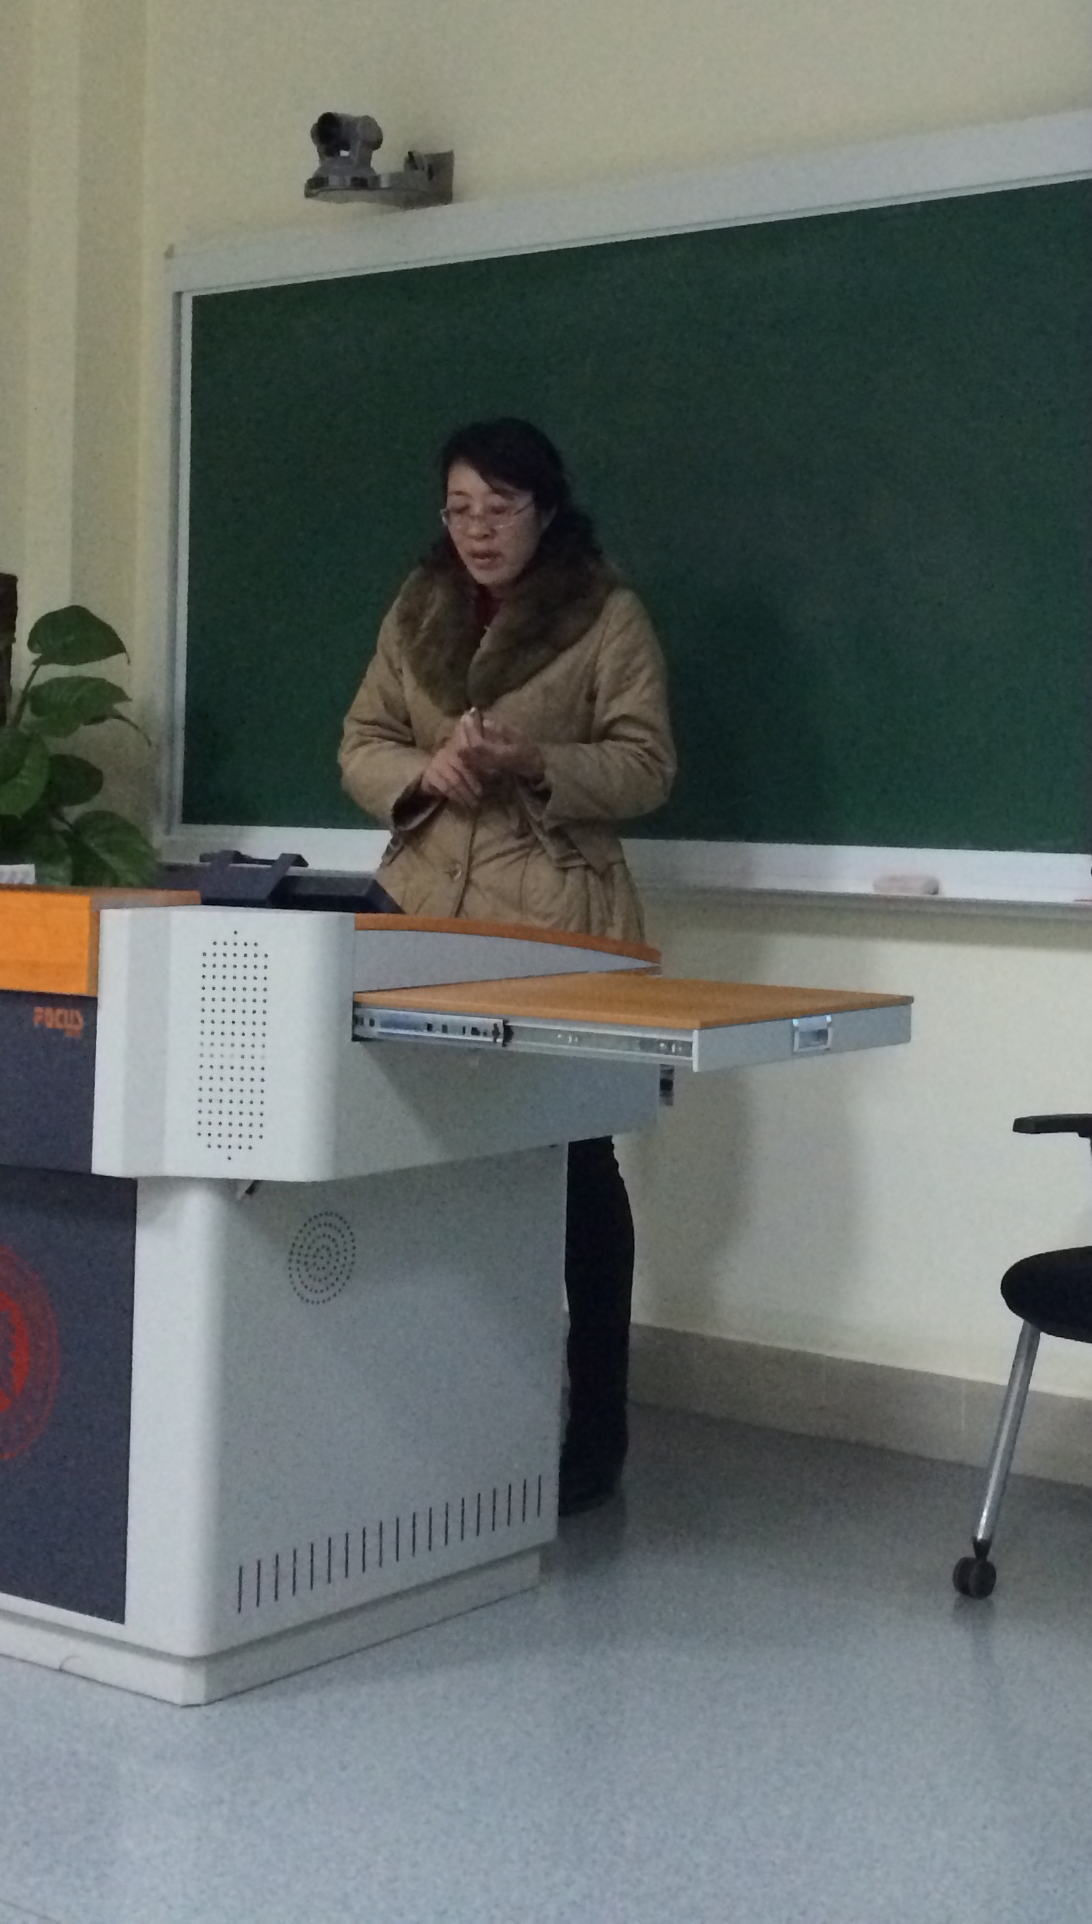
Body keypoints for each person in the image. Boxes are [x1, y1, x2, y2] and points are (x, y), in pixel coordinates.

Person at [338, 418, 676, 1514]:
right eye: (459, 510)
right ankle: (451, 1406)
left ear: (547, 509)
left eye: (500, 508)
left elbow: (646, 766)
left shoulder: (606, 613)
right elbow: (361, 741)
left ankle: (596, 1428)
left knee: (576, 1166)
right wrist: (424, 769)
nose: (477, 531)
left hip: (555, 917)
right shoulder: (418, 607)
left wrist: (535, 761)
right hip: (424, 909)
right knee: (420, 1154)